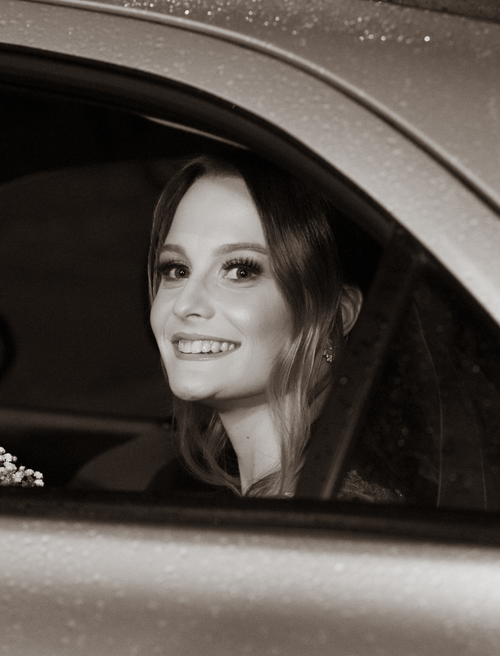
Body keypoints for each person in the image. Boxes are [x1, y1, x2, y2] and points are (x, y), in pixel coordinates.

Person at [147, 153, 363, 497]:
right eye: (177, 270)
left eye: (240, 271)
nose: (185, 305)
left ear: (339, 314)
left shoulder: (348, 511)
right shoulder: (181, 489)